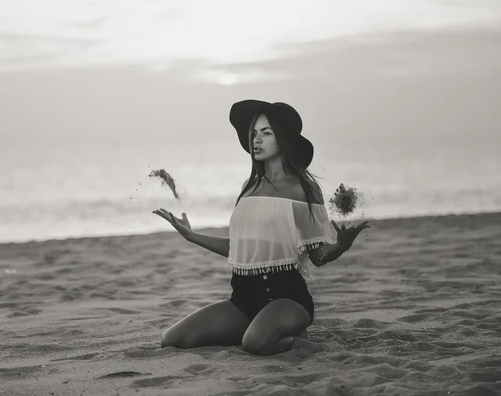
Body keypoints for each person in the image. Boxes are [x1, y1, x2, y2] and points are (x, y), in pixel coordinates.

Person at [152, 100, 370, 356]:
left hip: (287, 299)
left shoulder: (303, 189)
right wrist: (192, 236)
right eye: (254, 133)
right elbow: (241, 249)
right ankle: (260, 328)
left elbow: (317, 256)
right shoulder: (249, 187)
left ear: (284, 139)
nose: (257, 140)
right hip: (243, 301)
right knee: (172, 339)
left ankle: (291, 335)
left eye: (266, 133)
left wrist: (341, 247)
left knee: (255, 344)